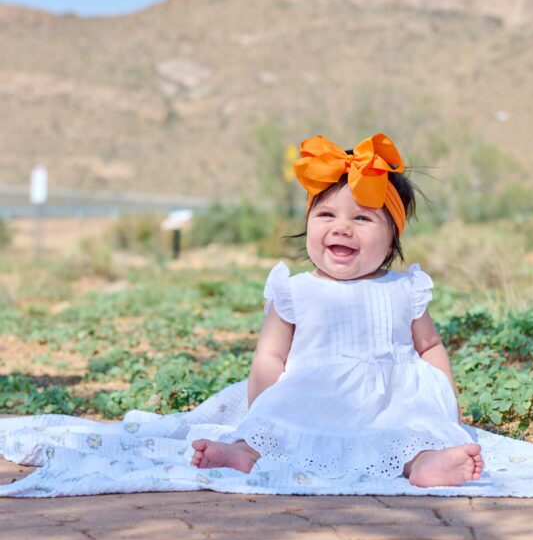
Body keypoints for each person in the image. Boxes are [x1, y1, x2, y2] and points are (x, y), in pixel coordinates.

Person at [190, 132, 484, 488]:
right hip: (311, 397)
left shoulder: (405, 289)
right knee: (276, 430)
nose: (341, 227)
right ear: (308, 222)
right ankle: (245, 453)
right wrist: (261, 414)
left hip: (390, 403)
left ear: (392, 237)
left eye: (362, 219)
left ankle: (424, 463)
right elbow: (270, 354)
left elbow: (430, 347)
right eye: (326, 213)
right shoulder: (296, 290)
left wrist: (446, 406)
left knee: (412, 434)